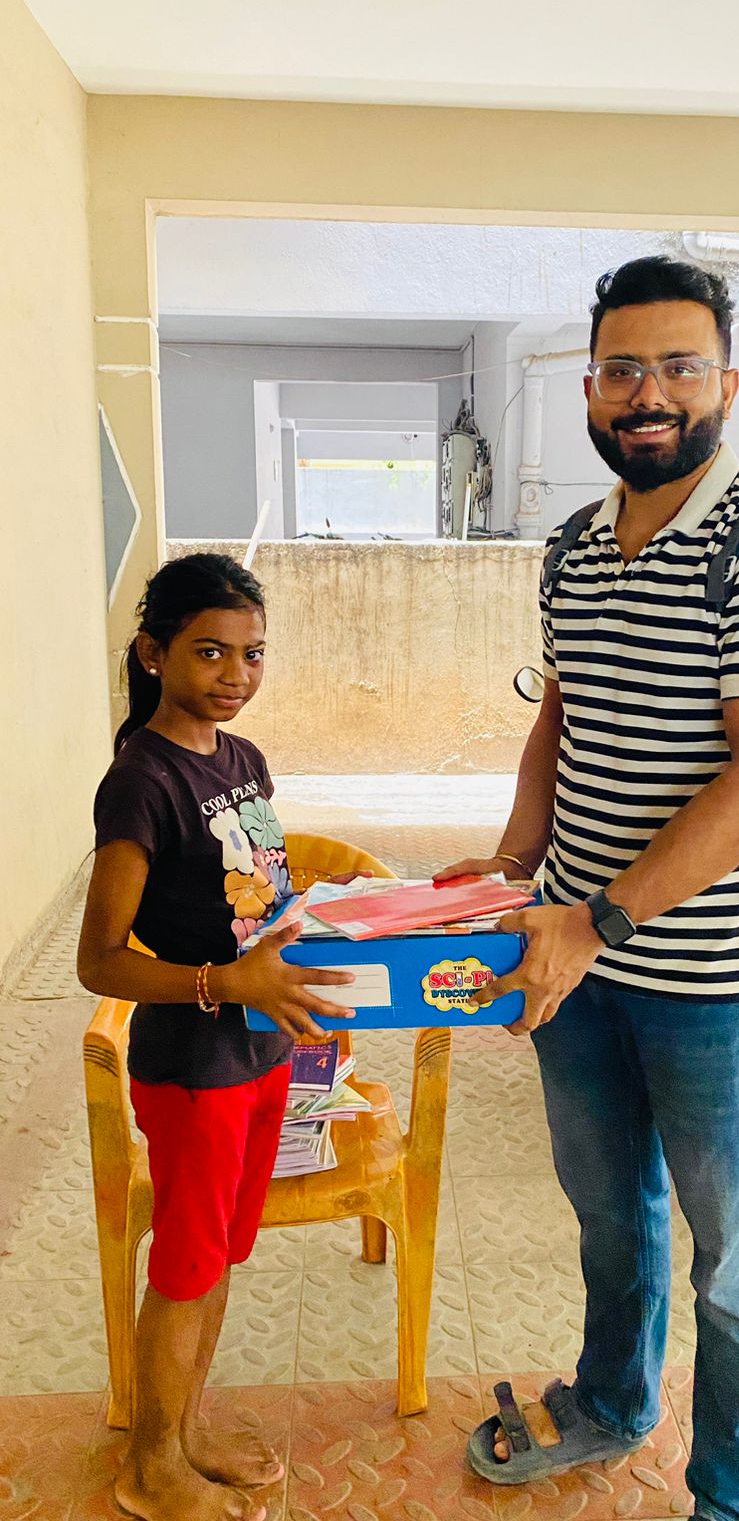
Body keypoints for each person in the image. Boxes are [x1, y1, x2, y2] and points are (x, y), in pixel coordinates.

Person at [440, 257, 739, 1521]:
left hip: (707, 983)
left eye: (678, 367)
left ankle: (735, 1494)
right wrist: (515, 863)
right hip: (574, 962)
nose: (648, 393)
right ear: (589, 389)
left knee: (735, 1261)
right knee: (608, 1212)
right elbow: (562, 720)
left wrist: (597, 916)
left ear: (726, 382)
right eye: (622, 369)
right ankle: (614, 1403)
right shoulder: (572, 546)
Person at [78, 553, 357, 1521]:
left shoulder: (242, 762)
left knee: (221, 1255)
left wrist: (326, 936)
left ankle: (187, 1426)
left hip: (261, 1052)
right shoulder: (140, 783)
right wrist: (224, 982)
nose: (235, 673)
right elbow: (101, 960)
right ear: (155, 654)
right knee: (186, 1266)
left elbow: (257, 899)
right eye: (209, 651)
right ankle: (152, 1463)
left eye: (252, 653)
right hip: (193, 1069)